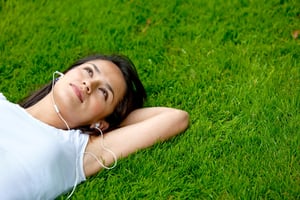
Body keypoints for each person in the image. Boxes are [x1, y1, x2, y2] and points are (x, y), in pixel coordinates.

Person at [0, 54, 189, 199]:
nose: (88, 83)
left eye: (103, 92)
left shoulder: (79, 150)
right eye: (89, 71)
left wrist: (112, 121)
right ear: (66, 72)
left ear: (100, 123)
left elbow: (175, 118)